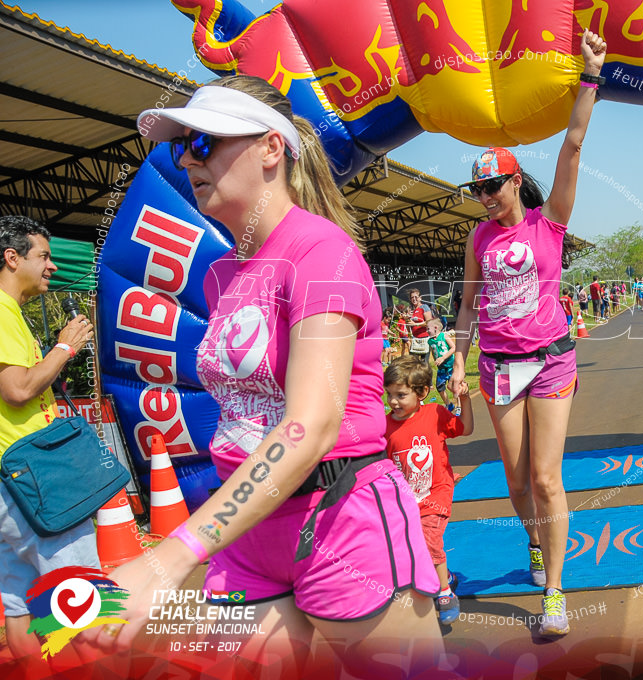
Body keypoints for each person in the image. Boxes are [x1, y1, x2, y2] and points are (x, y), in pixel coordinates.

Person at [83, 76, 442, 670]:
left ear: (272, 148)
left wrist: (172, 556)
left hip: (337, 517)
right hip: (249, 535)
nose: (187, 160)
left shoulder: (323, 255)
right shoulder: (221, 272)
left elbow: (310, 427)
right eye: (180, 148)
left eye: (204, 144)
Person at [449, 29, 606, 638]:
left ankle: (556, 596)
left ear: (516, 182)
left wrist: (589, 76)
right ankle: (536, 545)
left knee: (545, 478)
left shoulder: (550, 224)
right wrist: (457, 365)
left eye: (493, 186)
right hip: (497, 367)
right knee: (515, 481)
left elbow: (570, 148)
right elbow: (466, 308)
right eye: (477, 189)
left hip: (551, 362)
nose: (485, 198)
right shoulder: (477, 239)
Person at [0, 216, 99, 670]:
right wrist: (64, 347)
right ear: (12, 257)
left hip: (11, 482)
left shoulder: (11, 313)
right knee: (80, 592)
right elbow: (18, 388)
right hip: (35, 478)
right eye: (44, 256)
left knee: (19, 603)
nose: (53, 267)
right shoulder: (0, 311)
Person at [383, 356, 473, 626]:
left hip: (436, 492)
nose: (394, 402)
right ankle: (443, 576)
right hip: (404, 499)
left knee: (429, 538)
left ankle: (445, 593)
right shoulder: (384, 426)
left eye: (401, 394)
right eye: (389, 395)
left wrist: (465, 401)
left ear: (422, 392)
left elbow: (465, 429)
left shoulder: (434, 414)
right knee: (408, 546)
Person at [426, 318, 457, 411]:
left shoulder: (444, 336)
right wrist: (436, 360)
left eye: (428, 329)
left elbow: (453, 347)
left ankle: (459, 404)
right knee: (440, 387)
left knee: (454, 386)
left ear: (435, 328)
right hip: (441, 368)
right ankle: (448, 404)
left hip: (450, 365)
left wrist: (443, 358)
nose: (427, 331)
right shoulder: (430, 341)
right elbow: (433, 352)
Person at [406, 288, 434, 364]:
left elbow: (429, 322)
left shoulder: (424, 307)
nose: (414, 299)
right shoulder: (412, 310)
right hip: (415, 339)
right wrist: (407, 319)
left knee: (424, 363)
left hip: (425, 339)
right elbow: (409, 326)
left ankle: (427, 376)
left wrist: (415, 324)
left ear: (420, 298)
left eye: (416, 297)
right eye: (412, 297)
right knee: (413, 363)